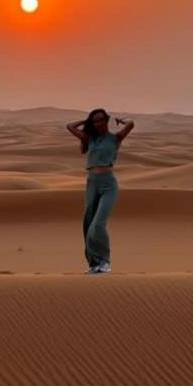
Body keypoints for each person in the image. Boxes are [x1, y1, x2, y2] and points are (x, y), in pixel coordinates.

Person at [66, 109, 135, 274]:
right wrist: (86, 121)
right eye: (95, 121)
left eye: (101, 120)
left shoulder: (115, 138)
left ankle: (105, 262)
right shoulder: (90, 139)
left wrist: (121, 120)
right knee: (88, 223)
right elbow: (69, 126)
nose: (98, 124)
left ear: (106, 120)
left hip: (108, 185)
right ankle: (94, 264)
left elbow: (131, 124)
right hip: (92, 184)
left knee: (98, 224)